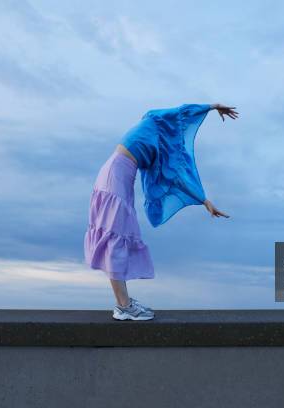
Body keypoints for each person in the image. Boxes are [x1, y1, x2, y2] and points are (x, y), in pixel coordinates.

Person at [84, 103, 238, 320]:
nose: (179, 130)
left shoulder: (159, 142)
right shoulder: (155, 121)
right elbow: (182, 112)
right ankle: (123, 306)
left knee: (116, 237)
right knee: (115, 239)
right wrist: (211, 107)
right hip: (115, 177)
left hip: (119, 176)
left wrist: (204, 200)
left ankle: (124, 303)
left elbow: (175, 177)